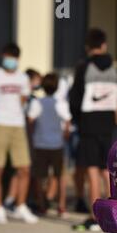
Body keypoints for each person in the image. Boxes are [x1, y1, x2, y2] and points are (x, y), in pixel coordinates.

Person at [69, 28, 117, 231]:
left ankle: (96, 216)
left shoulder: (84, 67)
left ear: (87, 47)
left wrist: (77, 119)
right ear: (104, 45)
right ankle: (115, 214)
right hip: (108, 124)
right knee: (106, 170)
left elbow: (75, 98)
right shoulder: (114, 68)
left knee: (91, 169)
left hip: (88, 125)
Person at [0, 43, 38, 224]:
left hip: (18, 125)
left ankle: (20, 206)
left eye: (14, 58)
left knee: (24, 168)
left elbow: (23, 100)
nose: (11, 61)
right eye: (9, 56)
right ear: (3, 56)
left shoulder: (22, 78)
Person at [27, 73, 71, 218]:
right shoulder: (60, 103)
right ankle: (61, 205)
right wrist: (65, 134)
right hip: (57, 144)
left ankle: (41, 205)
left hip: (40, 144)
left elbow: (31, 120)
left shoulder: (37, 102)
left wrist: (33, 136)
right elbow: (67, 120)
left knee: (40, 176)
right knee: (60, 176)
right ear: (57, 86)